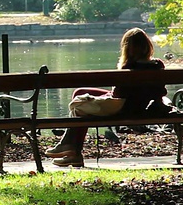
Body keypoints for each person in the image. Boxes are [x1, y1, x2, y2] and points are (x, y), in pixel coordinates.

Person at [44, 27, 166, 167]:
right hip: (136, 106)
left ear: (127, 48)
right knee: (80, 92)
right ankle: (70, 150)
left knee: (80, 107)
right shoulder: (157, 65)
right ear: (147, 46)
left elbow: (118, 95)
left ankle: (72, 151)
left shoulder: (129, 67)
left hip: (123, 108)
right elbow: (160, 92)